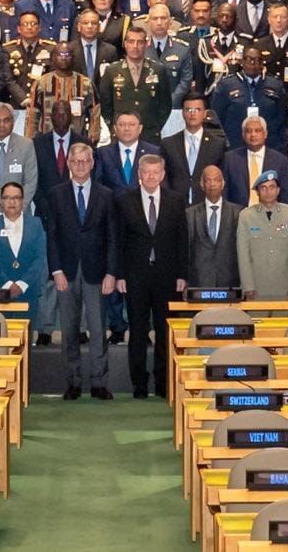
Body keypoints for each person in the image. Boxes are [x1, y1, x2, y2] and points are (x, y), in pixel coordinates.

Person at [112, 153, 185, 399]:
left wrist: (182, 274)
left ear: (162, 175)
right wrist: (120, 275)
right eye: (146, 172)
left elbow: (182, 239)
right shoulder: (125, 201)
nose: (151, 177)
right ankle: (139, 383)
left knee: (165, 331)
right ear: (139, 175)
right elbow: (119, 241)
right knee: (138, 330)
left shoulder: (176, 200)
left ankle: (163, 382)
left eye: (156, 172)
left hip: (168, 276)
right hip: (135, 276)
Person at [46, 142, 116, 399]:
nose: (80, 166)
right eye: (75, 161)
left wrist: (111, 272)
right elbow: (52, 235)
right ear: (68, 164)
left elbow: (113, 237)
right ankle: (73, 382)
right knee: (69, 331)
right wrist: (56, 270)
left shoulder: (106, 194)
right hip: (66, 272)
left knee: (97, 330)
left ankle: (99, 382)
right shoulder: (56, 194)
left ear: (92, 163)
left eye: (85, 161)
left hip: (97, 272)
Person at [236, 170, 288, 299]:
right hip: (256, 288)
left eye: (272, 187)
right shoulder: (246, 216)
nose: (268, 191)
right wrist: (247, 287)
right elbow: (243, 255)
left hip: (285, 288)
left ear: (278, 190)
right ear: (257, 192)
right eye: (263, 188)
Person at [0, 180, 47, 306]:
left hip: (28, 291)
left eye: (16, 198)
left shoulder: (35, 224)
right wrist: (7, 284)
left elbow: (40, 257)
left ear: (22, 201)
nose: (12, 202)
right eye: (7, 198)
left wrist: (22, 284)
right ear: (1, 201)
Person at [185, 165, 243, 289]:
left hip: (230, 280)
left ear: (223, 184)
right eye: (208, 180)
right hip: (199, 280)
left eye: (216, 180)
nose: (212, 184)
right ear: (202, 184)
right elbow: (186, 250)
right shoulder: (190, 214)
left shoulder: (238, 213)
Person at [161, 98, 225, 204]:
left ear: (205, 113)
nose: (193, 114)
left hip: (206, 203)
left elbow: (222, 176)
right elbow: (164, 176)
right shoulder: (168, 143)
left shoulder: (217, 144)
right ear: (182, 113)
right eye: (188, 110)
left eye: (197, 109)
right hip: (175, 204)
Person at [27, 44, 94, 141]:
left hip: (77, 140)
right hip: (46, 139)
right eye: (60, 54)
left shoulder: (85, 83)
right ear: (53, 57)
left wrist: (92, 138)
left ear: (73, 57)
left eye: (67, 54)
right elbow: (33, 113)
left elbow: (94, 112)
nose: (64, 58)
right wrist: (30, 139)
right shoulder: (41, 83)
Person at [221, 115, 288, 209]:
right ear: (243, 135)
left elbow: (286, 195)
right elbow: (224, 191)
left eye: (257, 131)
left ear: (265, 134)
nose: (253, 135)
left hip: (270, 213)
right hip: (238, 214)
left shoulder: (280, 161)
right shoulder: (230, 159)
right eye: (249, 131)